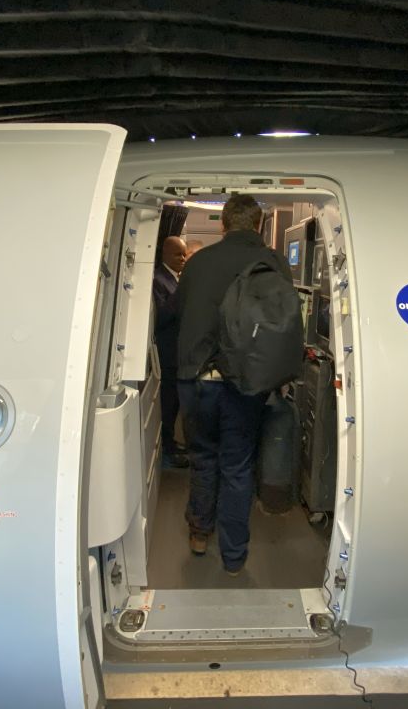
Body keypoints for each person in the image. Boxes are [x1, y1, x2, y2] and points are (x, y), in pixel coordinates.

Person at [175, 194, 292, 575]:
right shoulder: (273, 263)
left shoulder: (199, 262)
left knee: (203, 458)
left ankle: (198, 532)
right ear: (258, 225)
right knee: (238, 465)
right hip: (246, 383)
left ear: (223, 224)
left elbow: (177, 314)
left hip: (196, 379)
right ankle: (234, 555)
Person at [153, 236, 189, 468]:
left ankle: (171, 443)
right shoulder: (158, 280)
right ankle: (167, 448)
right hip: (167, 353)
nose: (183, 259)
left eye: (184, 254)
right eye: (178, 254)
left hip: (177, 353)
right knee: (167, 404)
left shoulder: (173, 279)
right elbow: (161, 317)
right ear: (166, 254)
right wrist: (182, 293)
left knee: (174, 403)